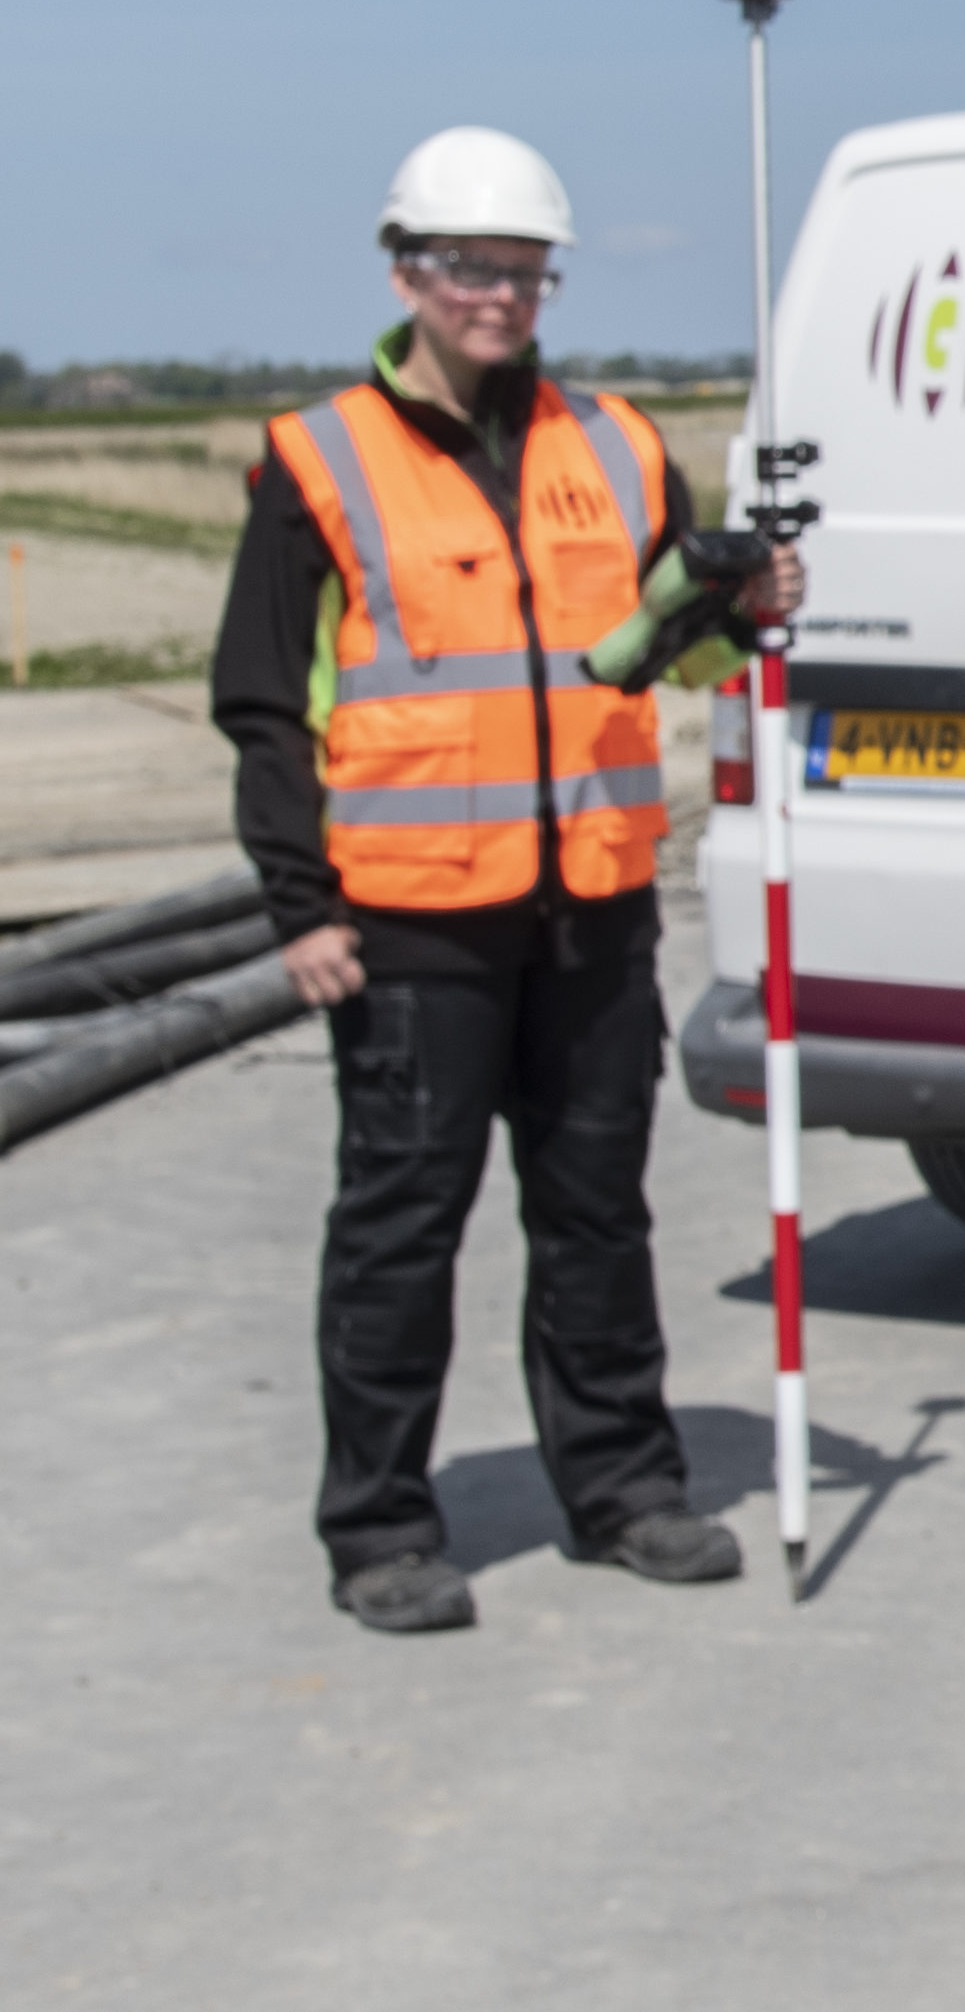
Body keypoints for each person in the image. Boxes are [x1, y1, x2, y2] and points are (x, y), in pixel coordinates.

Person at [216, 126, 797, 1634]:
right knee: (402, 1230)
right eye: (472, 268)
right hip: (409, 925)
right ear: (405, 272)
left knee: (598, 1215)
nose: (501, 296)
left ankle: (623, 1493)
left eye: (528, 272)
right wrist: (301, 907)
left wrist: (748, 604)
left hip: (592, 910)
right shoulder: (319, 458)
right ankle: (381, 1532)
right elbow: (264, 705)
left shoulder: (616, 444)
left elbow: (682, 654)